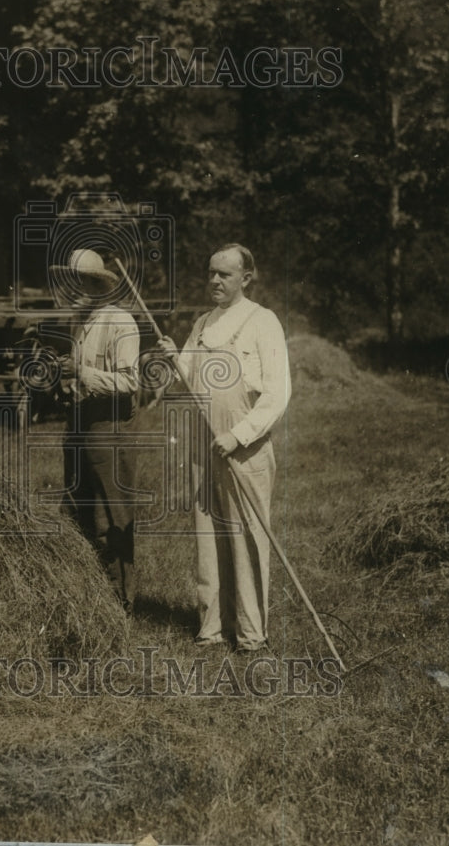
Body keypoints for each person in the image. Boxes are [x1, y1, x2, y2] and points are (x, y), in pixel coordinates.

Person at [159, 243, 291, 651]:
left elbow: (278, 392)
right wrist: (171, 360)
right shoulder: (200, 325)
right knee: (208, 536)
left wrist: (239, 434)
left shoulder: (262, 322)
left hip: (243, 447)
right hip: (203, 445)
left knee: (246, 536)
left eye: (225, 275)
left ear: (246, 278)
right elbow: (185, 385)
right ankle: (211, 627)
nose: (214, 281)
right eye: (211, 273)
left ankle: (251, 634)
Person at [53, 249, 141, 614]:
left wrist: (83, 373)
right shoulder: (81, 320)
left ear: (95, 284)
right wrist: (64, 378)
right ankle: (89, 595)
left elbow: (130, 381)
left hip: (110, 426)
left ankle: (122, 602)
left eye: (76, 282)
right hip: (79, 423)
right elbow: (79, 374)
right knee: (78, 509)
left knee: (113, 516)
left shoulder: (121, 323)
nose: (69, 290)